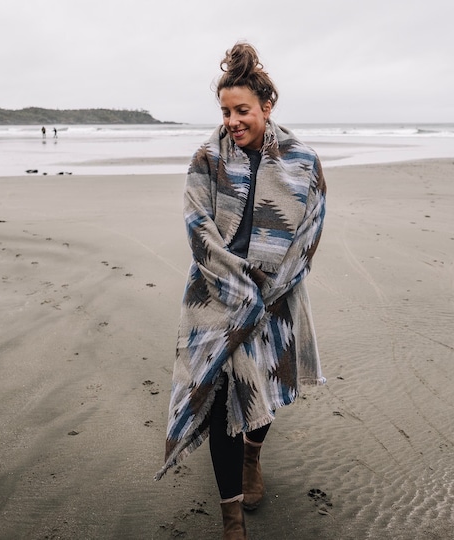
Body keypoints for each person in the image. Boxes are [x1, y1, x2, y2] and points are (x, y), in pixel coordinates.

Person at [155, 42, 327, 539]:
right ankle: (233, 521)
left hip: (277, 297)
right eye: (225, 111)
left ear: (266, 107)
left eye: (242, 111)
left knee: (264, 391)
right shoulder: (206, 159)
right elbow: (198, 228)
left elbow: (309, 233)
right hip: (218, 296)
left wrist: (269, 292)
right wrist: (237, 290)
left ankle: (254, 455)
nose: (232, 120)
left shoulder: (302, 161)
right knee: (222, 400)